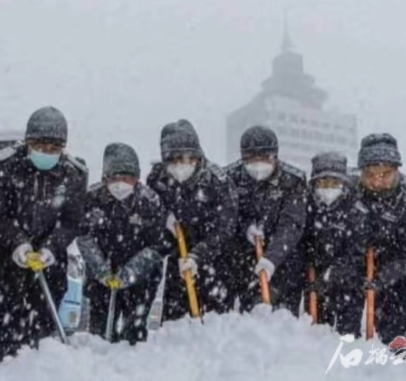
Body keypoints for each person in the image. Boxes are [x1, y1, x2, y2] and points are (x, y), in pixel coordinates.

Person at [0, 106, 88, 365]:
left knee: (41, 335)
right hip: (4, 262)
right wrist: (18, 244)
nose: (46, 153)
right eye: (40, 145)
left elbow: (70, 221)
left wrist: (51, 248)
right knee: (6, 332)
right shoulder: (4, 165)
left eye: (54, 148)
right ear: (28, 142)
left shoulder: (73, 173)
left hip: (48, 264)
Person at [146, 119, 238, 320]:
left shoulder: (218, 181)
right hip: (178, 256)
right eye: (174, 160)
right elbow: (151, 212)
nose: (181, 165)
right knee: (175, 322)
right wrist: (164, 220)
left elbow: (226, 227)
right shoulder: (157, 179)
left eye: (188, 158)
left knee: (215, 323)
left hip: (215, 259)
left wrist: (198, 256)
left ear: (198, 155)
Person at [76, 143, 166, 344]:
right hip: (101, 278)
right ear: (105, 177)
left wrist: (130, 273)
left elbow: (157, 245)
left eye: (127, 177)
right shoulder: (91, 199)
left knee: (134, 330)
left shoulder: (150, 202)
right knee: (100, 332)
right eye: (114, 177)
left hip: (141, 277)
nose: (120, 183)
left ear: (137, 178)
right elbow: (83, 237)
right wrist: (102, 272)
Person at [355, 133, 406, 368]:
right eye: (370, 175)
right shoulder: (352, 192)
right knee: (367, 316)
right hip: (366, 262)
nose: (377, 181)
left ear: (396, 170)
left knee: (400, 317)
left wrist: (382, 278)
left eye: (385, 175)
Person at [224, 125, 307, 313]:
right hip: (245, 257)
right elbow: (227, 215)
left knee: (283, 315)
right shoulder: (230, 178)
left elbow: (292, 223)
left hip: (285, 258)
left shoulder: (293, 181)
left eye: (264, 158)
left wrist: (271, 259)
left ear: (275, 156)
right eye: (251, 159)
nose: (257, 164)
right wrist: (245, 228)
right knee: (251, 311)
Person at [301, 152, 367, 337]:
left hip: (349, 285)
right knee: (316, 332)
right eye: (322, 183)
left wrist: (331, 277)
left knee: (348, 337)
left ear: (344, 184)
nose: (328, 188)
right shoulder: (307, 207)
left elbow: (355, 254)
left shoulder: (356, 210)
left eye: (334, 183)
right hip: (315, 281)